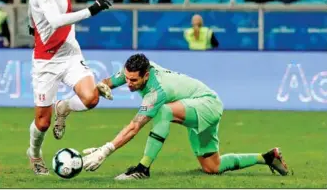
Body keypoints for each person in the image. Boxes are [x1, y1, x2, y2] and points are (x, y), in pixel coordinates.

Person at [81, 54, 289, 179]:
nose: (128, 84)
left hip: (207, 104)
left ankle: (143, 168)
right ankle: (267, 157)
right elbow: (107, 83)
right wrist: (97, 89)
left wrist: (104, 151)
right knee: (212, 167)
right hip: (196, 106)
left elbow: (134, 127)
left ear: (146, 75)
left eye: (133, 80)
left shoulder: (156, 92)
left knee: (164, 111)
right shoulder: (137, 69)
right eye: (126, 78)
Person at [26, 0, 113, 175]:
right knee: (43, 123)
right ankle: (34, 154)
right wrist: (91, 11)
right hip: (46, 61)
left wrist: (30, 22)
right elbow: (55, 21)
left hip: (70, 53)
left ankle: (63, 107)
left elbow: (32, 6)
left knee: (91, 98)